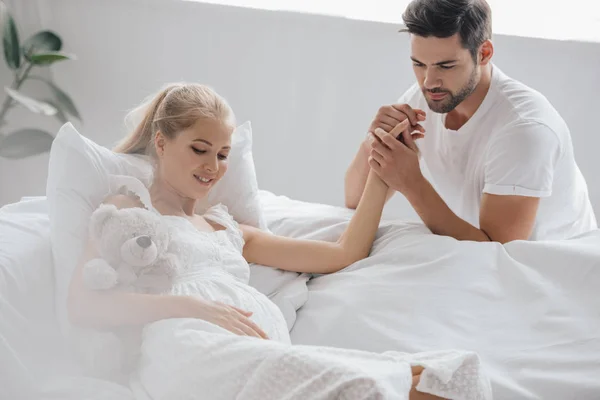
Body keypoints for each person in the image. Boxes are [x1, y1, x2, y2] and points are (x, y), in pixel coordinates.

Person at [66, 83, 488, 399]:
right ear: (161, 142)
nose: (213, 166)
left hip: (258, 350)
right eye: (200, 149)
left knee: (447, 378)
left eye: (224, 154)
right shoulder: (129, 208)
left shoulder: (228, 229)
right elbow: (85, 306)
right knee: (365, 386)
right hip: (191, 347)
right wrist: (193, 306)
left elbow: (344, 253)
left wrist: (383, 174)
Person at [344, 0, 597, 243]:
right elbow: (354, 200)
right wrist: (375, 140)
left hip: (555, 272)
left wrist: (412, 183)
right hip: (479, 260)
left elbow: (500, 253)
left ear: (484, 53)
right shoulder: (430, 96)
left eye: (446, 66)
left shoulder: (524, 129)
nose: (428, 81)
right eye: (419, 64)